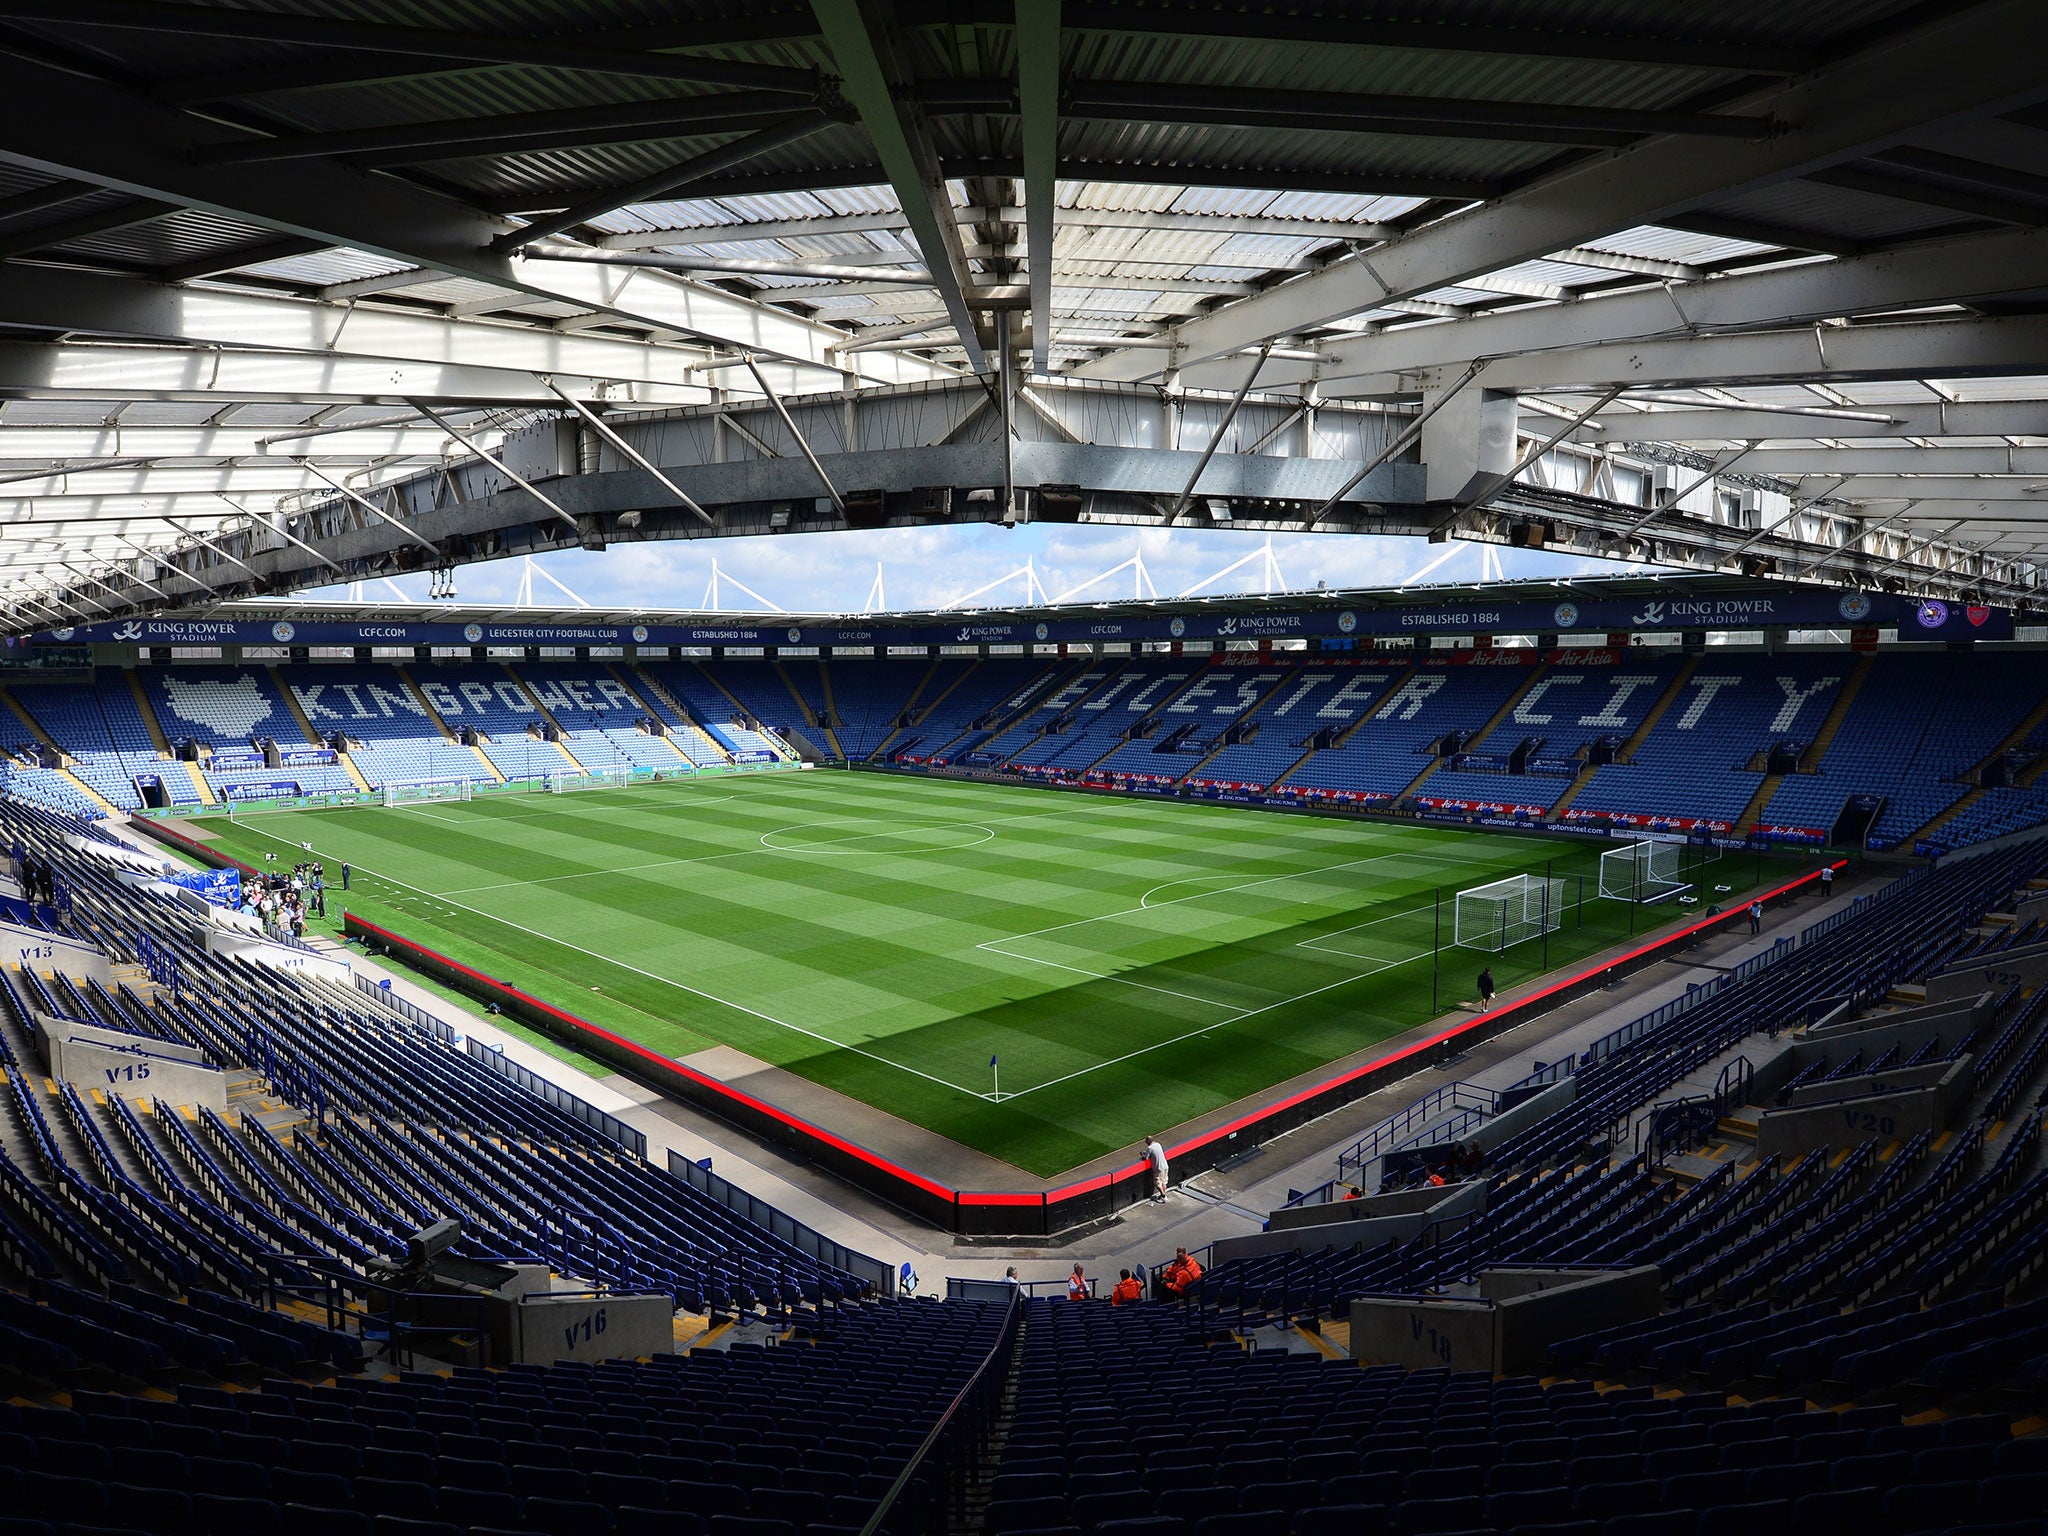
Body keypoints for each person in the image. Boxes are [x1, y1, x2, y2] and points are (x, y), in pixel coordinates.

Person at [1144, 1134, 1169, 1202]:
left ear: (1148, 1142)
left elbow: (1145, 1158)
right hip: (1165, 1166)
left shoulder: (1150, 1148)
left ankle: (1163, 1196)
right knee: (1164, 1182)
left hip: (1158, 1168)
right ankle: (1163, 1195)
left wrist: (1143, 1154)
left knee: (1157, 1183)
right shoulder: (1158, 1144)